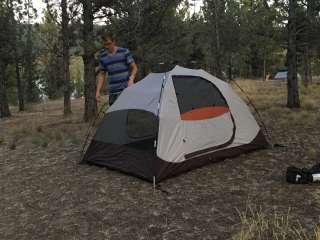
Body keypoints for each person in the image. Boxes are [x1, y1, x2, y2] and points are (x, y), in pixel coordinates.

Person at [96, 32, 138, 105]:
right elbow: (102, 74)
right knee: (114, 115)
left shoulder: (124, 52)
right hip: (112, 92)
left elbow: (134, 67)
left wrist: (131, 78)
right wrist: (97, 91)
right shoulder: (103, 56)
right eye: (105, 44)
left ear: (114, 42)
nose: (107, 46)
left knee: (125, 113)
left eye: (109, 44)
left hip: (125, 90)